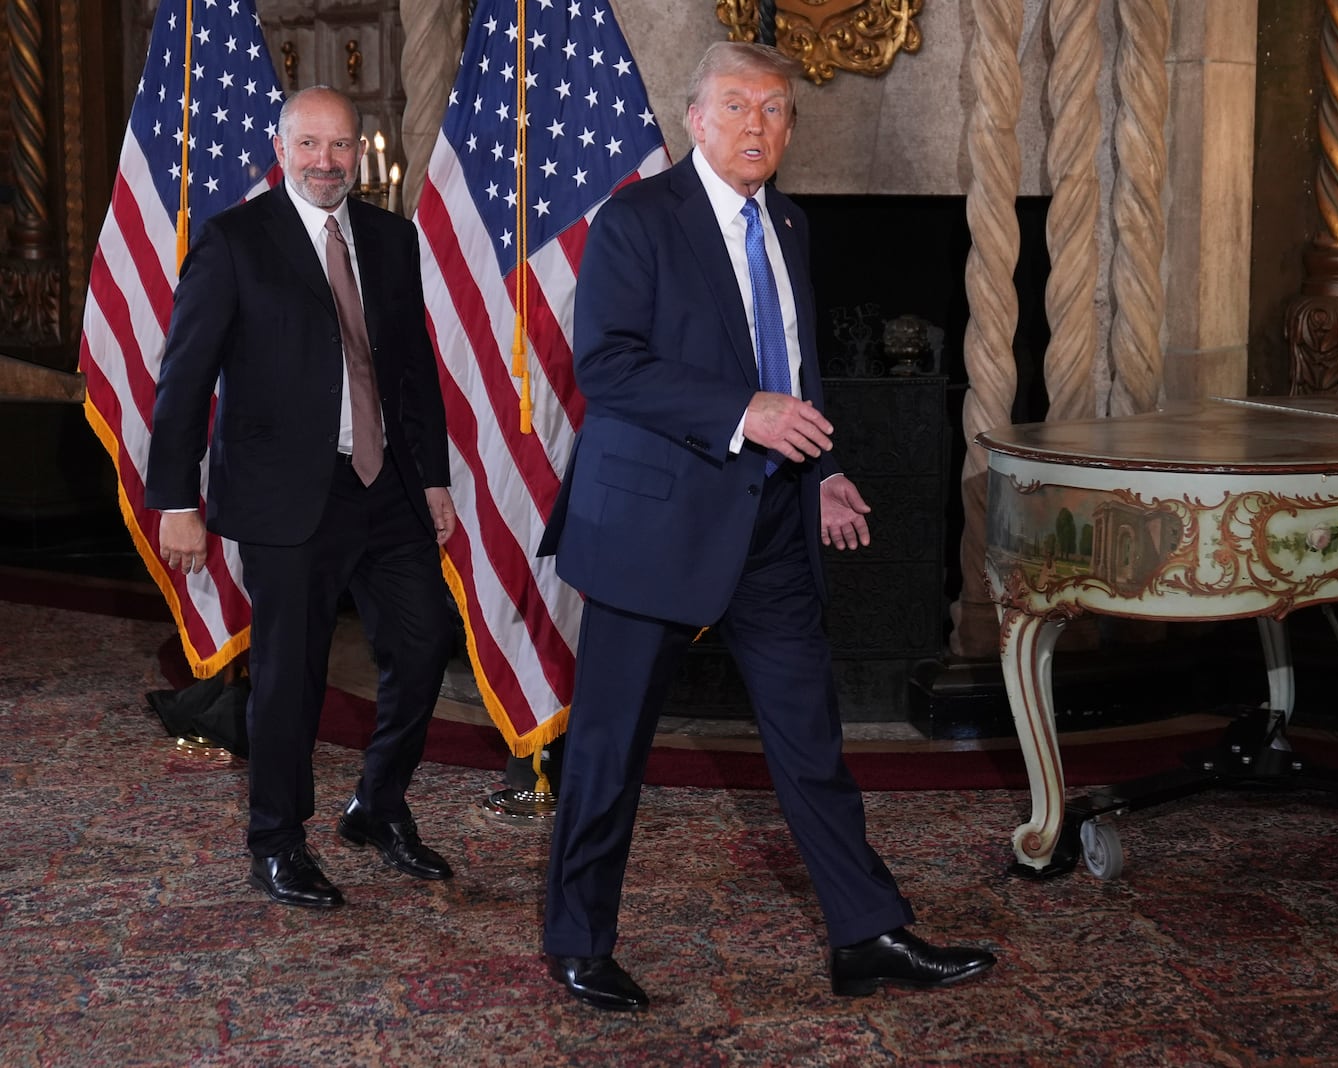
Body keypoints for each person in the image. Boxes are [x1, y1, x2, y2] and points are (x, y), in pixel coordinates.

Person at [538, 42, 996, 1012]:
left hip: (772, 527)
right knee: (610, 748)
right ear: (694, 118)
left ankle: (865, 933)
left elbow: (796, 369)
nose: (758, 125)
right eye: (738, 106)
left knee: (807, 739)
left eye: (776, 110)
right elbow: (607, 365)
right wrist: (743, 412)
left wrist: (821, 470)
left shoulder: (786, 222)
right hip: (650, 532)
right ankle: (577, 941)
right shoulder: (636, 219)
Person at [146, 86, 458, 909]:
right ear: (280, 149)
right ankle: (277, 840)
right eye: (310, 145)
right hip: (288, 493)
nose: (327, 161)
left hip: (386, 484)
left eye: (342, 146)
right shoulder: (233, 242)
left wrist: (433, 478)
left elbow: (412, 371)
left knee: (425, 644)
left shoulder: (394, 240)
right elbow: (184, 382)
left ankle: (378, 806)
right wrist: (178, 499)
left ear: (363, 151)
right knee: (291, 675)